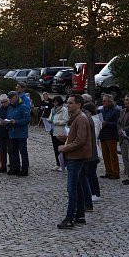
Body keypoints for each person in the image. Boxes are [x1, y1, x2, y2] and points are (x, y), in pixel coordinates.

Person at [57, 95, 92, 229]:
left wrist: (65, 147)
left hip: (76, 157)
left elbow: (81, 140)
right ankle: (80, 215)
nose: (68, 105)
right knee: (77, 186)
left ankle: (70, 218)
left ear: (79, 104)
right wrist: (66, 138)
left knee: (72, 189)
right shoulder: (77, 118)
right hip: (75, 156)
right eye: (67, 103)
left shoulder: (81, 119)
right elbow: (77, 137)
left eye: (70, 103)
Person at [2, 91, 29, 176]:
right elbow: (8, 117)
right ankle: (15, 168)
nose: (10, 100)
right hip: (12, 133)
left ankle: (24, 170)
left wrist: (16, 122)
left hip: (21, 134)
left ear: (16, 97)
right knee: (13, 152)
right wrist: (5, 122)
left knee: (23, 152)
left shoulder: (23, 106)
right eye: (9, 98)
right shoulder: (10, 107)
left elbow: (27, 119)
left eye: (12, 98)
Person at [98, 94, 121, 179]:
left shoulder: (116, 111)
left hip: (111, 135)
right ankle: (108, 171)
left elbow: (118, 124)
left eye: (105, 101)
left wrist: (107, 123)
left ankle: (115, 172)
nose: (103, 102)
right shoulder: (102, 110)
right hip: (103, 134)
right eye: (102, 100)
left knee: (112, 154)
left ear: (110, 101)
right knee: (105, 154)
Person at [49, 96, 69, 170]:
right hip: (53, 130)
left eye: (56, 102)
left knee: (61, 148)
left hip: (60, 131)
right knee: (55, 148)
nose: (54, 103)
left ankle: (63, 164)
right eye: (53, 102)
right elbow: (51, 117)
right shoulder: (53, 110)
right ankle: (58, 163)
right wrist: (48, 120)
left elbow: (65, 121)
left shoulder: (64, 110)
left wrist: (54, 122)